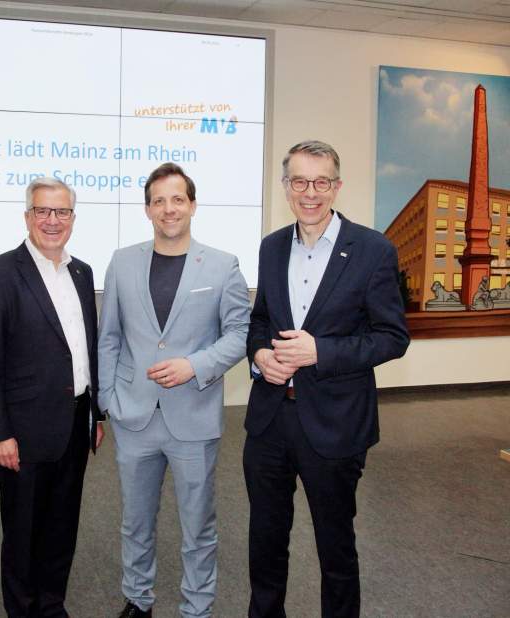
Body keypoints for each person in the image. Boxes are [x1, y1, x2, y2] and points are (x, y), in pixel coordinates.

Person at [244, 140, 410, 617]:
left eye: (321, 182)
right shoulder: (272, 246)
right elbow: (260, 321)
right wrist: (260, 355)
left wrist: (321, 352)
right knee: (265, 542)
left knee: (335, 548)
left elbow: (392, 337)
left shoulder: (373, 250)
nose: (310, 193)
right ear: (286, 187)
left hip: (335, 423)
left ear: (337, 187)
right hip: (270, 421)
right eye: (299, 181)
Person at [98, 162, 251, 618]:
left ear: (193, 205)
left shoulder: (223, 265)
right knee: (135, 522)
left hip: (194, 417)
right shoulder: (122, 262)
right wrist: (107, 401)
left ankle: (196, 608)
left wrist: (194, 366)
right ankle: (138, 600)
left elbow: (240, 334)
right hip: (134, 416)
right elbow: (109, 336)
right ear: (148, 209)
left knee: (198, 526)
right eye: (159, 201)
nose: (169, 209)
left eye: (177, 199)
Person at [0, 177, 105, 618]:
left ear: (73, 218)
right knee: (23, 533)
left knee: (62, 527)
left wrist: (96, 415)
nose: (52, 220)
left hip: (75, 422)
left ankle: (51, 606)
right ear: (27, 216)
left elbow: (85, 349)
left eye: (61, 212)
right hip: (21, 433)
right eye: (43, 211)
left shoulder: (82, 272)